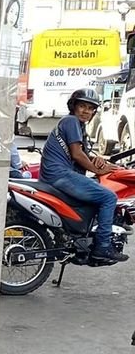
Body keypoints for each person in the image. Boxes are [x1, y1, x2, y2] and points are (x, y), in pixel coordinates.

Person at [39, 88, 128, 262]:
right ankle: (102, 247)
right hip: (60, 175)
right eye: (82, 106)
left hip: (57, 176)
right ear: (74, 106)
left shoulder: (76, 125)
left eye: (90, 108)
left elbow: (83, 154)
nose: (86, 111)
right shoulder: (71, 121)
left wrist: (99, 161)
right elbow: (77, 155)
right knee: (109, 197)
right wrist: (98, 170)